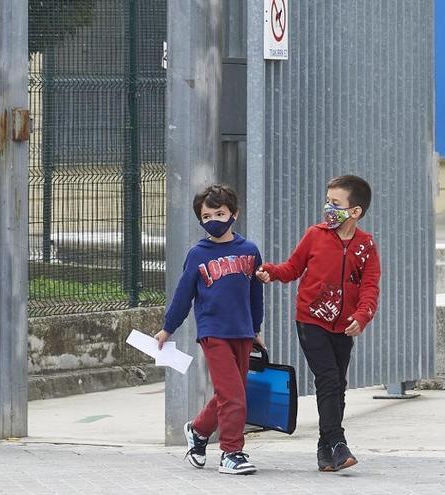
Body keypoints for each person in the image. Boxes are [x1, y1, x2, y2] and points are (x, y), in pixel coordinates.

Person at [256, 175, 380, 472]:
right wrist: (270, 272)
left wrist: (361, 316)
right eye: (327, 201)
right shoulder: (315, 234)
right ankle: (338, 442)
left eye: (335, 203)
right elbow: (292, 268)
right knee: (328, 378)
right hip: (311, 319)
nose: (328, 207)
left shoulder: (366, 245)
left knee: (338, 386)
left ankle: (325, 450)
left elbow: (370, 286)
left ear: (355, 211)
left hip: (344, 326)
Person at [154, 184, 264, 475]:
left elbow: (255, 294)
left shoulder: (250, 251)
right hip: (213, 333)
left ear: (234, 214)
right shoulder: (197, 254)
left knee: (231, 392)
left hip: (242, 332)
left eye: (220, 213)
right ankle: (231, 452)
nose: (213, 219)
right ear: (200, 219)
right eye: (206, 215)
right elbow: (183, 295)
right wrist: (168, 329)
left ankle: (199, 430)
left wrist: (256, 329)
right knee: (234, 395)